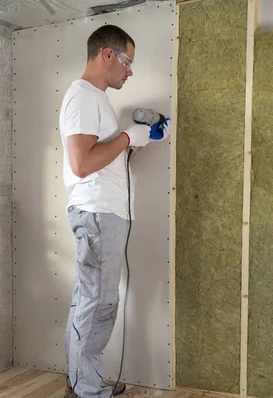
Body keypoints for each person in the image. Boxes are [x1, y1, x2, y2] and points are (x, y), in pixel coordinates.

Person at [58, 25, 170, 398]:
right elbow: (80, 164)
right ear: (108, 54)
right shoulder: (83, 97)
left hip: (104, 215)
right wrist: (126, 137)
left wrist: (139, 143)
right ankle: (87, 391)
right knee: (99, 303)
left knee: (91, 301)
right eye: (127, 61)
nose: (130, 70)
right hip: (96, 215)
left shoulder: (97, 100)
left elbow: (99, 160)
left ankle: (82, 381)